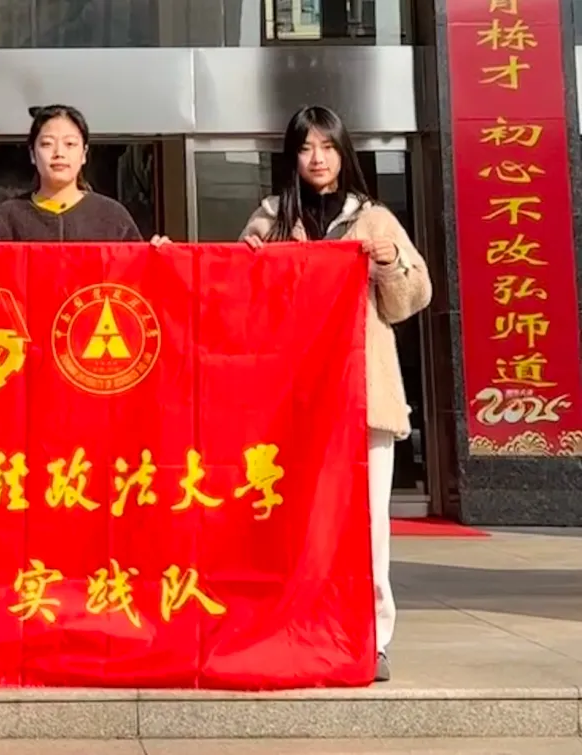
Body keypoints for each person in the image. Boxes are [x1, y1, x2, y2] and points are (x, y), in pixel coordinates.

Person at [240, 105, 432, 684]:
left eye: (327, 146)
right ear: (291, 156)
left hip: (363, 395)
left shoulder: (374, 219)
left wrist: (390, 263)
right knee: (293, 523)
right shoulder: (271, 218)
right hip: (294, 401)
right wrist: (252, 266)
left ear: (344, 152)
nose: (317, 158)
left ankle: (372, 638)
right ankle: (293, 628)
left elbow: (412, 299)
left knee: (368, 527)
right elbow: (245, 307)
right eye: (305, 148)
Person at [0, 104, 168, 246]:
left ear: (84, 154)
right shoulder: (6, 218)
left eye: (70, 144)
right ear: (32, 154)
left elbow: (138, 280)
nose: (59, 153)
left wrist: (162, 258)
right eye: (47, 144)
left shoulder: (112, 217)